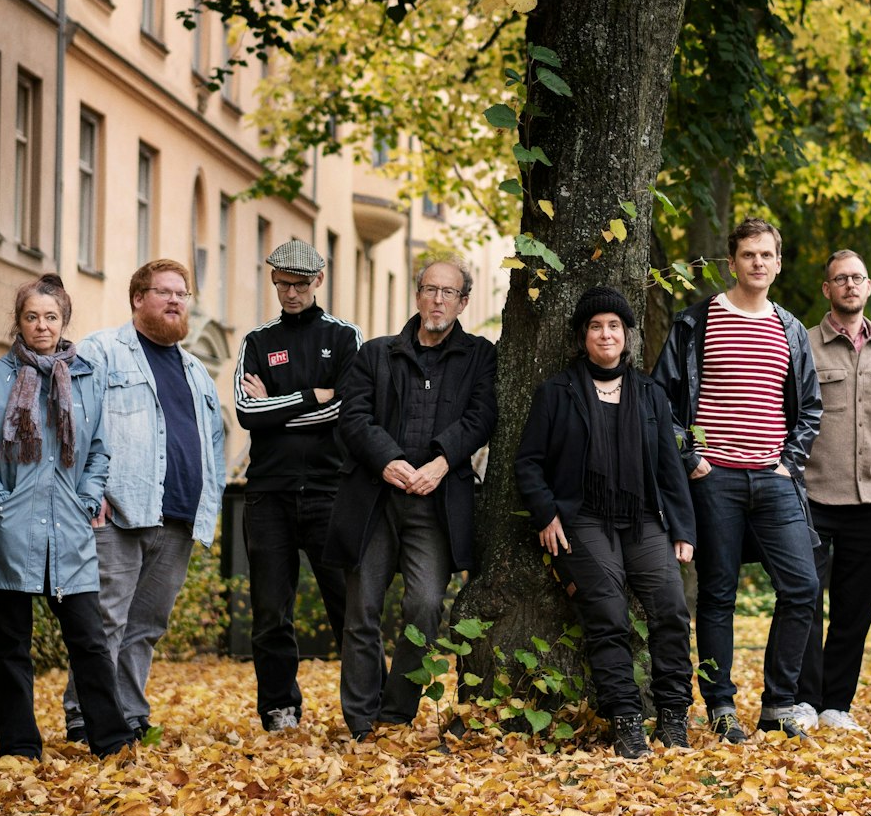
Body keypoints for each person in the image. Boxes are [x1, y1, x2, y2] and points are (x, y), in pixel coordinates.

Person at [0, 274, 134, 760]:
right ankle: (19, 748)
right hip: (7, 533)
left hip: (69, 532)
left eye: (51, 317)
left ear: (64, 321)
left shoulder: (86, 377)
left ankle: (111, 742)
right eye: (32, 317)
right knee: (11, 650)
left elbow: (98, 450)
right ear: (19, 322)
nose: (42, 326)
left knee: (89, 642)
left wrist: (88, 499)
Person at [654, 217, 823, 742]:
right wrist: (693, 459)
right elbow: (662, 400)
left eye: (766, 255)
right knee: (719, 594)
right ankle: (721, 706)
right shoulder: (695, 322)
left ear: (777, 262)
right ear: (732, 263)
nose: (757, 263)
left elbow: (810, 408)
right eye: (747, 255)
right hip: (715, 477)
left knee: (802, 587)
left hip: (774, 477)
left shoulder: (791, 329)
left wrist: (787, 462)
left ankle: (778, 703)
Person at [515, 287, 696, 759]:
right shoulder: (558, 392)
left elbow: (668, 468)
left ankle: (674, 716)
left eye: (614, 325)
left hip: (641, 520)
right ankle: (626, 720)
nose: (605, 333)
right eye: (596, 326)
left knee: (672, 609)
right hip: (582, 519)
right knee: (609, 614)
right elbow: (529, 463)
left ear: (627, 335)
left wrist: (682, 530)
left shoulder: (650, 394)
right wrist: (547, 513)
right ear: (583, 336)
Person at [331, 258, 498, 740]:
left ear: (463, 301)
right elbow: (353, 417)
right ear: (417, 295)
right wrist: (386, 461)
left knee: (424, 607)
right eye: (430, 290)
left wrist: (442, 463)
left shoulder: (480, 356)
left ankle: (396, 713)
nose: (438, 300)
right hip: (374, 500)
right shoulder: (376, 354)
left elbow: (481, 416)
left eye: (449, 293)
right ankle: (361, 719)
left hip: (438, 501)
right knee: (361, 608)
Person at [65, 259, 226, 744]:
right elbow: (72, 424)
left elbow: (213, 441)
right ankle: (84, 716)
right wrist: (89, 493)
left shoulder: (196, 369)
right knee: (108, 620)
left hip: (178, 516)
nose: (176, 301)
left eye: (183, 293)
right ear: (138, 298)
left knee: (147, 626)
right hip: (118, 512)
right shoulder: (101, 350)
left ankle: (130, 713)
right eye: (164, 292)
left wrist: (208, 502)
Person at [233, 239, 362, 732]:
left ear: (319, 282)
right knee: (270, 609)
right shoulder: (257, 342)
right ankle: (278, 708)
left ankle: (362, 706)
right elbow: (247, 414)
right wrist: (311, 395)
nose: (289, 292)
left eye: (300, 284)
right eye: (281, 283)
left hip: (331, 490)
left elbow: (346, 410)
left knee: (348, 605)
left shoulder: (345, 337)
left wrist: (280, 404)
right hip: (268, 491)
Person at [794, 251, 871, 733]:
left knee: (854, 610)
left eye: (857, 277)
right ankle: (803, 700)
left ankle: (836, 704)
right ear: (827, 289)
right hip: (813, 497)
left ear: (868, 286)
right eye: (840, 278)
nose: (850, 285)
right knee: (803, 602)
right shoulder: (802, 344)